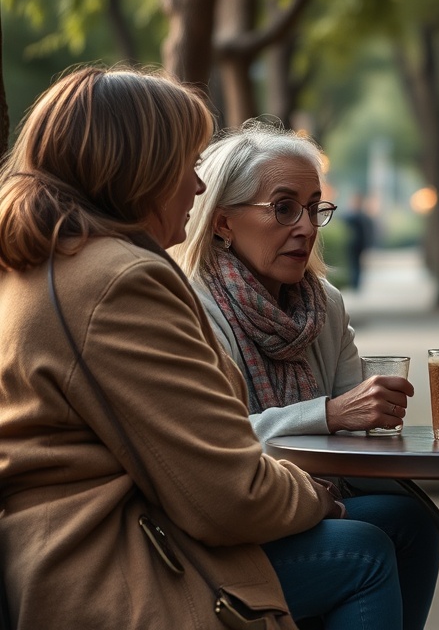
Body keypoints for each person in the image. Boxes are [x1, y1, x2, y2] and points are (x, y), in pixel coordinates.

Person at [0, 66, 403, 628]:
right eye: (186, 166)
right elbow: (228, 495)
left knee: (395, 517)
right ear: (138, 168)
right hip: (111, 568)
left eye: (314, 208)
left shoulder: (47, 262)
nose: (195, 186)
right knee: (365, 552)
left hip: (80, 541)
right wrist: (316, 495)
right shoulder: (120, 280)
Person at [171, 119, 439, 629]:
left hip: (308, 505)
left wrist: (375, 419)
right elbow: (211, 448)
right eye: (284, 207)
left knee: (411, 522)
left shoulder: (324, 306)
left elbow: (356, 429)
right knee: (364, 547)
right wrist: (330, 414)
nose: (306, 226)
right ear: (223, 222)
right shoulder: (190, 308)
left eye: (314, 207)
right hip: (221, 532)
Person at [341, 192, 373, 290]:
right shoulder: (360, 216)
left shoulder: (357, 216)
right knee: (354, 264)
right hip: (354, 244)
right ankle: (354, 283)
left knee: (355, 264)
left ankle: (355, 283)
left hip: (356, 244)